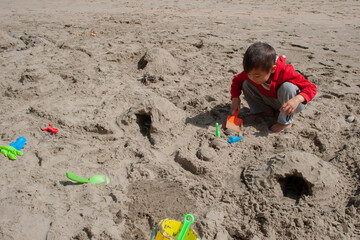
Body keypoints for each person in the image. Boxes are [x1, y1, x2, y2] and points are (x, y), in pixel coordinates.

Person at [230, 42, 317, 133]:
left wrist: (297, 99)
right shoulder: (253, 72)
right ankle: (263, 111)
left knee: (288, 87)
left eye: (257, 76)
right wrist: (235, 99)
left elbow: (311, 88)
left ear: (272, 69)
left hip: (291, 104)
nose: (252, 77)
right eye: (249, 74)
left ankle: (286, 122)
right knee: (246, 83)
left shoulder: (285, 72)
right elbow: (236, 81)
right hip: (273, 101)